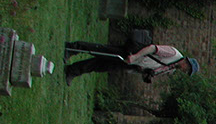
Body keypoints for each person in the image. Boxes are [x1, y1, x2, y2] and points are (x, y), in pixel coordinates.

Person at [64, 39, 199, 85]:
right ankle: (72, 48)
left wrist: (145, 74)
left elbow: (152, 69)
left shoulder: (171, 69)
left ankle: (73, 70)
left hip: (134, 63)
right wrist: (134, 56)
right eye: (187, 69)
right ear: (186, 63)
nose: (184, 71)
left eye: (187, 71)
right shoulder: (173, 54)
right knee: (101, 50)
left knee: (100, 65)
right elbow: (152, 48)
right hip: (133, 53)